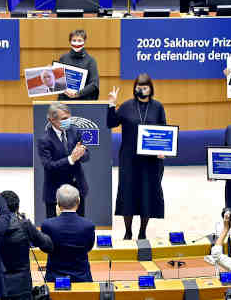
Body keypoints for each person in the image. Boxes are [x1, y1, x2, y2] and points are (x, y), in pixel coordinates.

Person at [107, 73, 167, 240]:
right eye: (138, 87)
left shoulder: (158, 107)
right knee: (128, 194)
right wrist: (112, 104)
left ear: (150, 89)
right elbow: (111, 123)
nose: (141, 90)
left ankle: (142, 231)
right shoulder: (126, 106)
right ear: (135, 88)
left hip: (151, 161)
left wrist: (163, 151)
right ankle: (128, 231)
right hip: (129, 159)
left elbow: (164, 131)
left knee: (146, 195)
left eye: (145, 87)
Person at [0, 190, 53, 300]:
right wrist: (30, 227)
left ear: (0, 208)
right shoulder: (25, 225)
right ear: (18, 207)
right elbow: (48, 246)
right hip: (23, 286)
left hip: (0, 285)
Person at [38, 102, 91, 218]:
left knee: (79, 228)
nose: (68, 121)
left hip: (77, 189)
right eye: (64, 119)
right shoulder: (44, 140)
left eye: (69, 117)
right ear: (52, 119)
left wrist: (81, 154)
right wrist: (71, 159)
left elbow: (87, 155)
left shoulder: (74, 131)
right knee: (54, 231)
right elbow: (49, 166)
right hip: (55, 192)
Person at [40, 185, 95, 283]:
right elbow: (88, 248)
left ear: (57, 203)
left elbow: (45, 248)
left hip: (54, 279)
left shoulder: (47, 225)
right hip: (81, 278)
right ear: (78, 202)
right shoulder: (88, 226)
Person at [57, 29, 100, 101]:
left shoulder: (91, 60)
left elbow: (94, 83)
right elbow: (58, 80)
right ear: (70, 42)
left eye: (79, 40)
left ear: (84, 42)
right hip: (65, 100)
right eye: (74, 40)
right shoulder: (63, 58)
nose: (76, 43)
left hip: (84, 101)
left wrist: (78, 93)